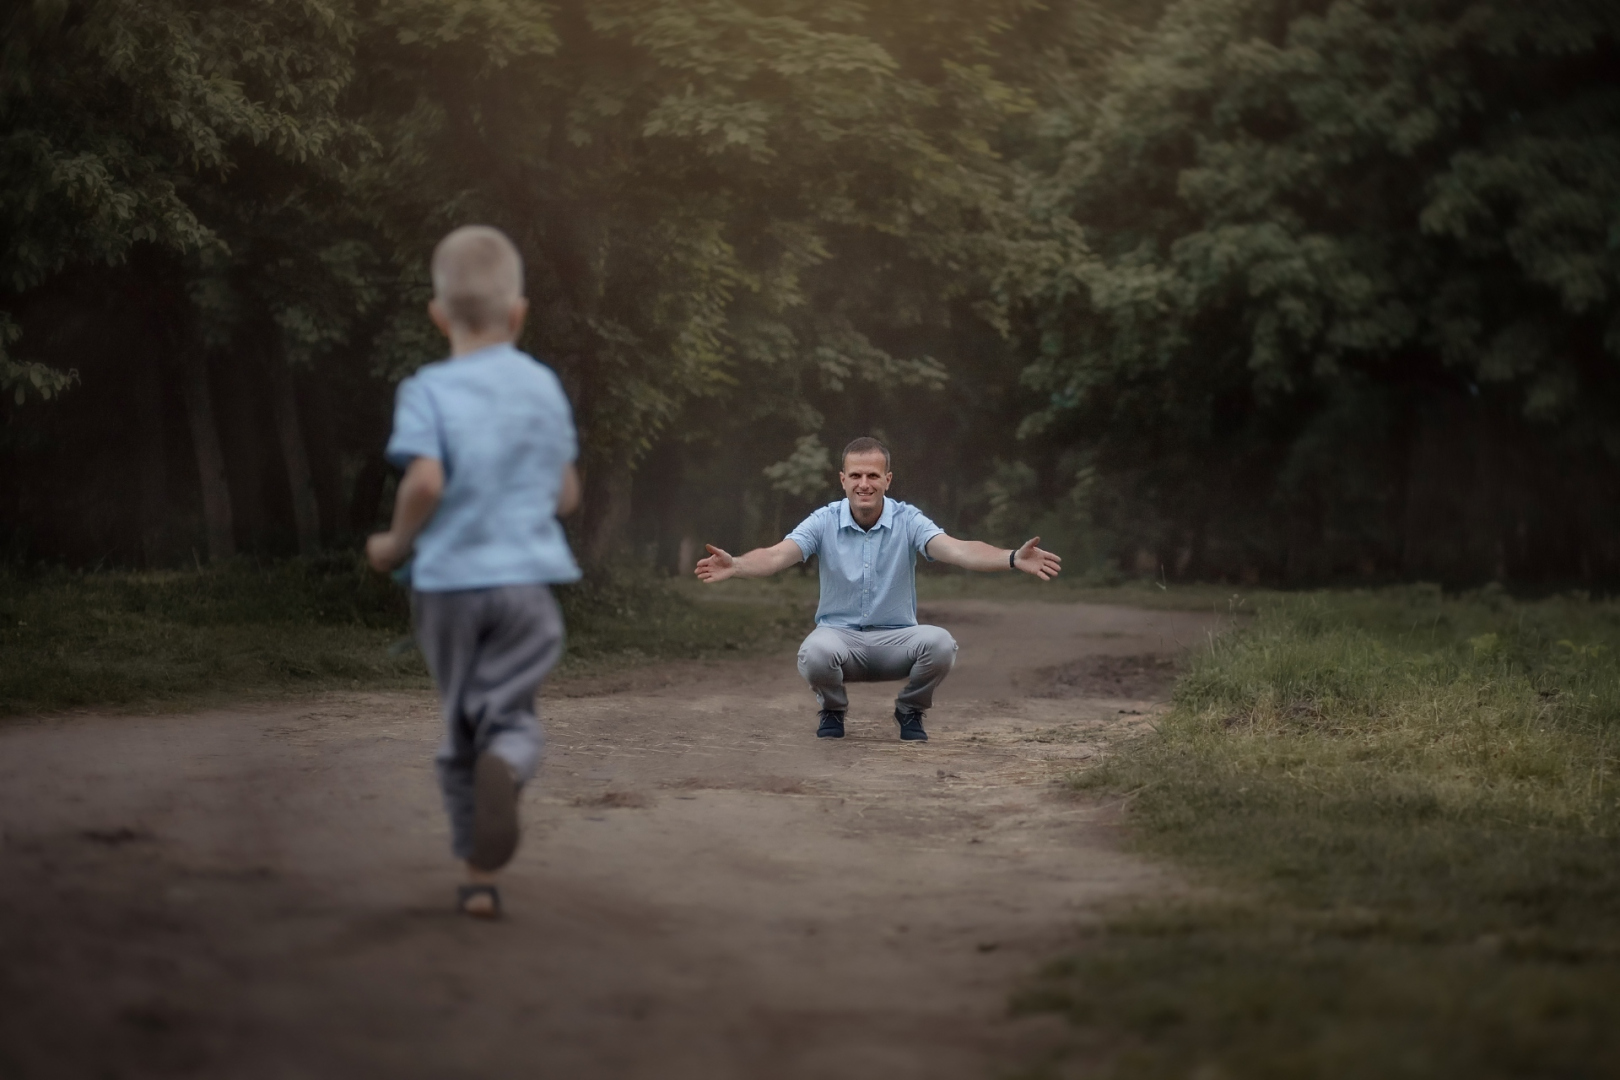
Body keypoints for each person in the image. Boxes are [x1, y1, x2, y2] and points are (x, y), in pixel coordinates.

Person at [366, 225, 582, 919]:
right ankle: (510, 764)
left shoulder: (426, 389)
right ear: (518, 315)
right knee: (511, 715)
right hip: (526, 589)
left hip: (449, 591)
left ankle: (479, 879)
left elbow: (424, 482)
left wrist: (394, 543)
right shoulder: (544, 387)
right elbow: (566, 494)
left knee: (461, 725)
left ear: (437, 316)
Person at [694, 437, 1061, 741]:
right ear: (842, 480)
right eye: (855, 475)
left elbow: (958, 549)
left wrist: (1012, 557)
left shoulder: (908, 519)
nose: (863, 483)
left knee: (940, 643)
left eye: (873, 475)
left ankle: (911, 710)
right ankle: (833, 710)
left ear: (888, 479)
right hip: (840, 640)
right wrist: (738, 565)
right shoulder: (823, 520)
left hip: (896, 642)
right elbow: (777, 556)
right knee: (814, 652)